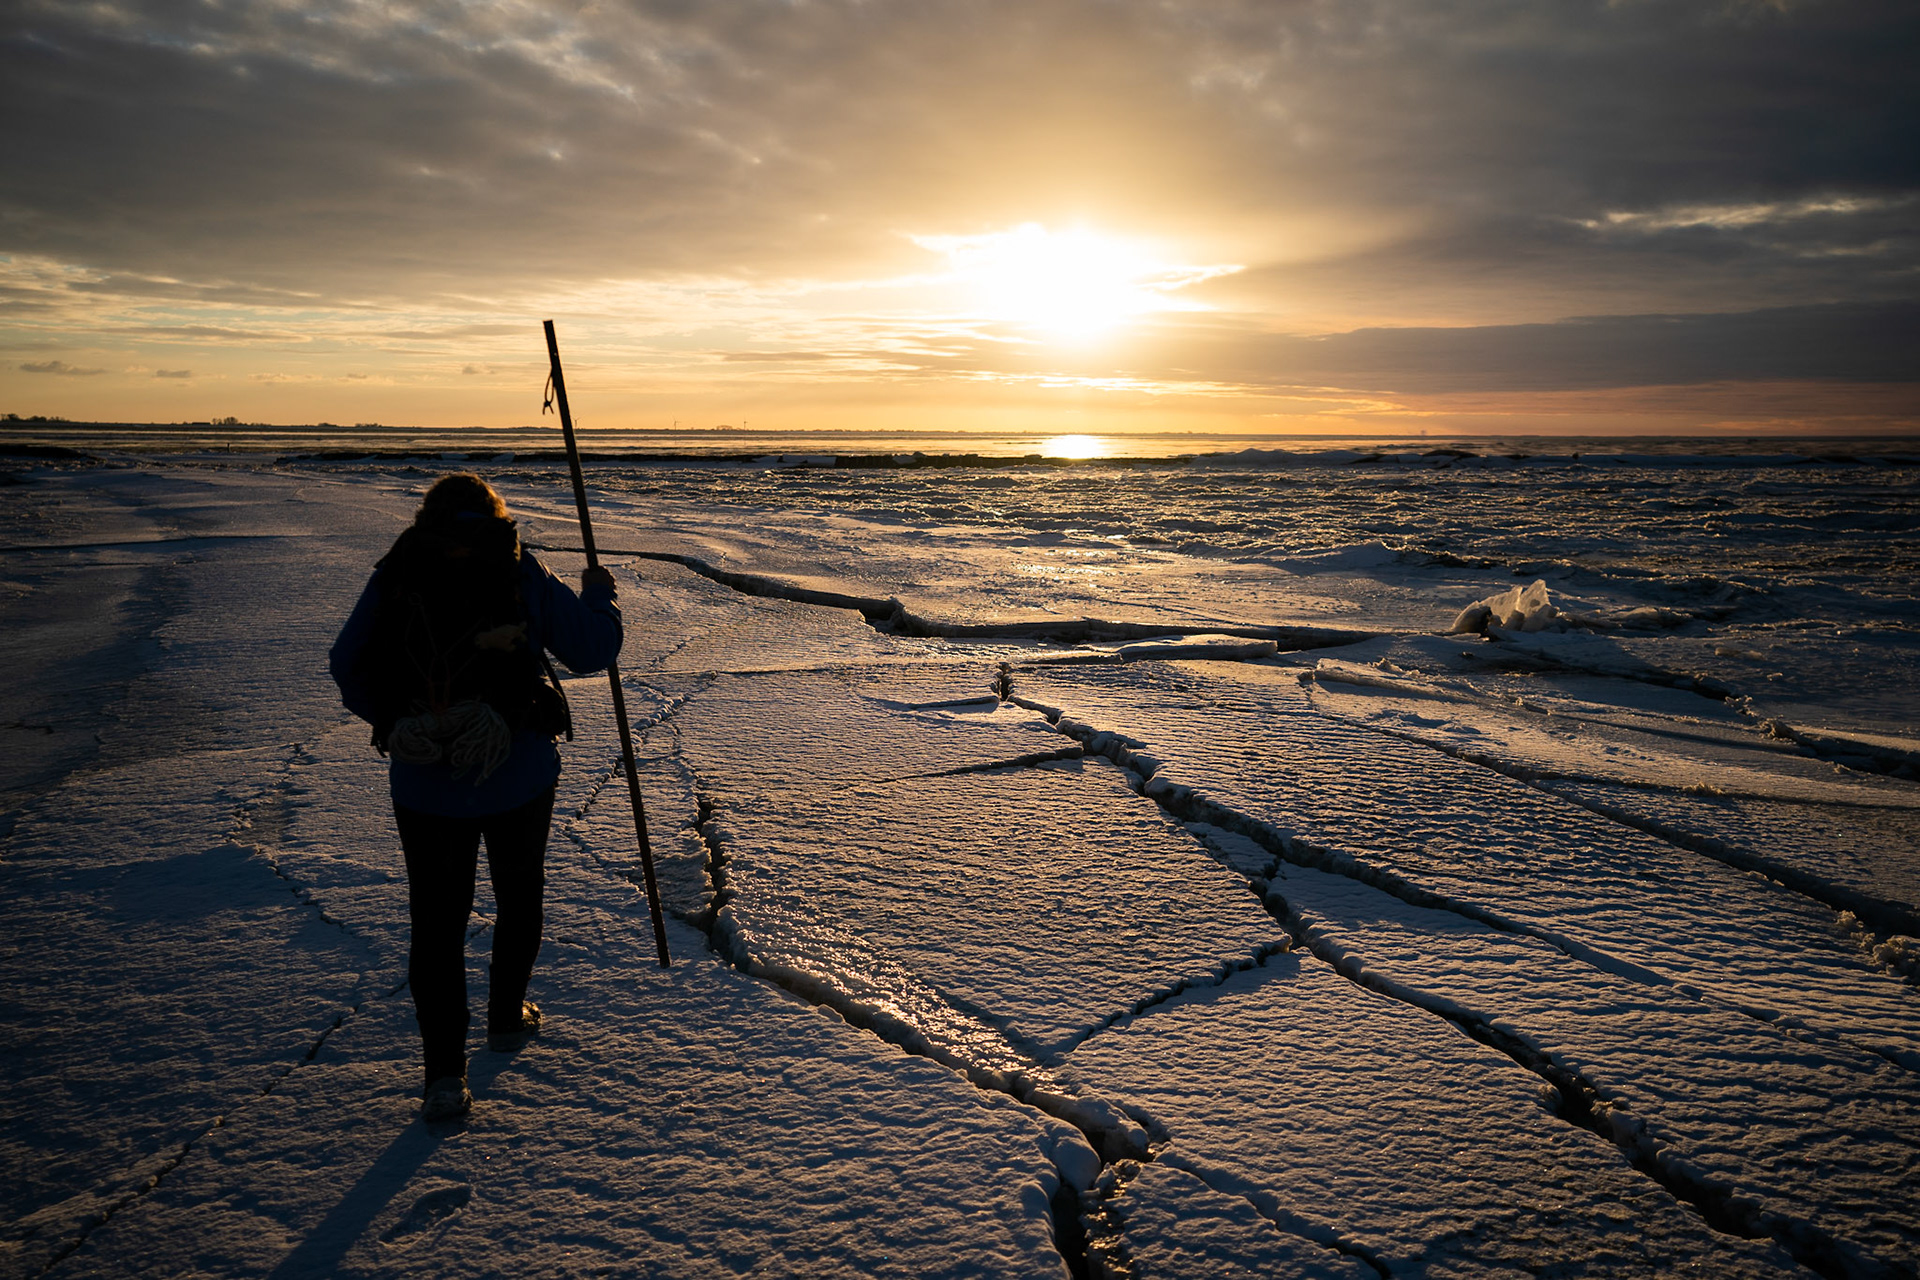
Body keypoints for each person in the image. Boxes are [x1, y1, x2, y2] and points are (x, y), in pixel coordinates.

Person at [329, 473, 622, 1121]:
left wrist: (406, 723)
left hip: (425, 784)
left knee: (437, 922)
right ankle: (505, 1020)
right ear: (494, 515)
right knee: (519, 895)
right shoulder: (516, 567)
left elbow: (347, 663)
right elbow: (594, 649)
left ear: (428, 515)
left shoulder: (400, 568)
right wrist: (599, 595)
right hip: (518, 773)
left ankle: (442, 1077)